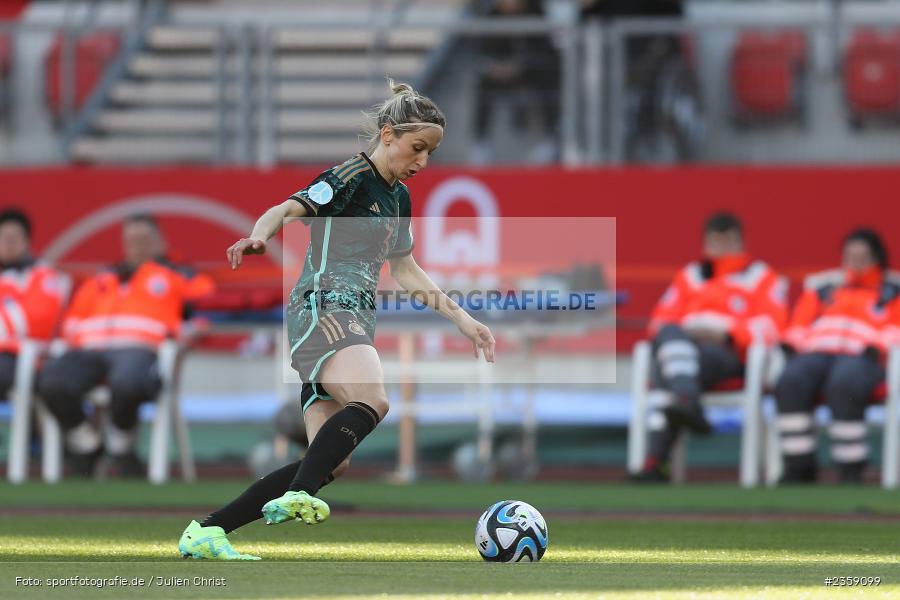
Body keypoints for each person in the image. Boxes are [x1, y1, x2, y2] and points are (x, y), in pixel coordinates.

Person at [176, 81, 497, 561]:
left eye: (430, 152)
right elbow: (285, 208)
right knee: (373, 399)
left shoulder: (398, 198)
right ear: (388, 135)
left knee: (333, 462)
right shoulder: (351, 175)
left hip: (353, 317)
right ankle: (299, 493)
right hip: (324, 305)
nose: (423, 161)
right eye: (417, 148)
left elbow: (406, 269)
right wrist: (257, 236)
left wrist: (462, 319)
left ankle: (206, 531)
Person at [38, 213, 214, 478]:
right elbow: (72, 318)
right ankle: (87, 444)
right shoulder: (102, 279)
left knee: (128, 382)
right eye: (131, 239)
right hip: (89, 349)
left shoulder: (177, 275)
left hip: (140, 348)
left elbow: (207, 305)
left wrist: (191, 329)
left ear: (159, 241)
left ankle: (121, 446)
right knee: (50, 380)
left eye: (144, 239)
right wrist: (73, 338)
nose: (137, 245)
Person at [632, 212, 787, 482]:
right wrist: (687, 332)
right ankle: (687, 402)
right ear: (705, 245)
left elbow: (773, 325)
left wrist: (726, 333)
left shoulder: (762, 277)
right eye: (716, 242)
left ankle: (655, 462)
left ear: (742, 243)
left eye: (729, 242)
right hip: (683, 349)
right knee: (670, 341)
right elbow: (660, 321)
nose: (722, 249)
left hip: (726, 354)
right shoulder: (690, 276)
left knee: (669, 371)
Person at [775, 229, 900, 484]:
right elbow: (800, 323)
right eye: (850, 256)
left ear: (876, 258)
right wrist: (793, 345)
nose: (855, 262)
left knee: (845, 382)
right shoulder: (824, 289)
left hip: (865, 356)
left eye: (862, 257)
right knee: (791, 379)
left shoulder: (892, 291)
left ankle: (850, 466)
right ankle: (798, 466)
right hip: (818, 352)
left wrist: (878, 346)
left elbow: (895, 327)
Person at [471, 0, 561, 164]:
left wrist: (521, 65)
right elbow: (483, 50)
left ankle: (550, 140)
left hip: (531, 72)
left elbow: (545, 50)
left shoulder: (537, 13)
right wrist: (496, 66)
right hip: (501, 73)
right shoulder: (491, 17)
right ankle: (481, 143)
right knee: (484, 84)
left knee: (548, 79)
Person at [0, 208, 68, 399]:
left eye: (14, 239)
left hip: (21, 357)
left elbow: (38, 322)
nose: (8, 244)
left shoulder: (43, 275)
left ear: (27, 242)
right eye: (3, 238)